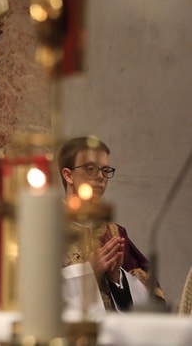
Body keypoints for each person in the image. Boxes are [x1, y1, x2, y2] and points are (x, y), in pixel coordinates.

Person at [58, 136, 164, 319]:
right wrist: (89, 271)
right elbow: (31, 289)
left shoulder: (114, 233)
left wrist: (117, 279)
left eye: (105, 170)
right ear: (68, 175)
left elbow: (149, 300)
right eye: (90, 169)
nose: (100, 177)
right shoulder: (46, 229)